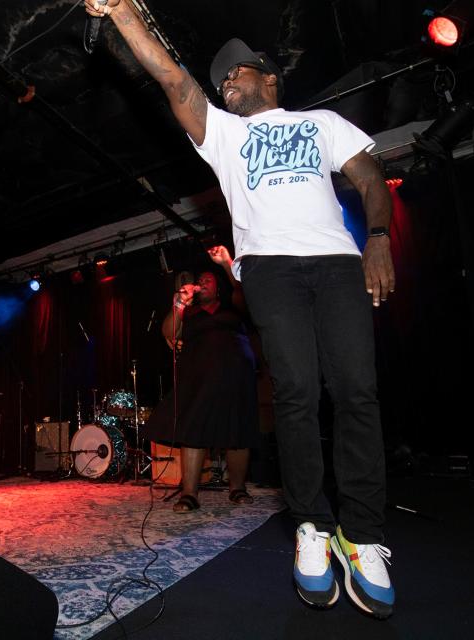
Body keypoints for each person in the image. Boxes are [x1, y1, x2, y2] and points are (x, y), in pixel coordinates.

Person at [85, 1, 396, 618]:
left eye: (237, 74)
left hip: (336, 264)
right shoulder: (225, 136)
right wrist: (122, 12)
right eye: (221, 79)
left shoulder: (324, 123)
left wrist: (379, 239)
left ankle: (362, 538)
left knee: (358, 391)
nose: (226, 83)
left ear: (270, 77)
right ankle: (312, 528)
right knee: (297, 394)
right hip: (271, 269)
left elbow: (369, 178)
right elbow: (172, 77)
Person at [144, 245, 258, 513]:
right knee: (193, 428)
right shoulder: (190, 313)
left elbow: (243, 293)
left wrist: (226, 265)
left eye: (209, 280)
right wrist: (180, 304)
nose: (202, 283)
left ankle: (237, 488)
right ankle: (190, 493)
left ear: (218, 289)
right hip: (198, 375)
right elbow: (167, 331)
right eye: (200, 281)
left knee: (237, 428)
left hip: (235, 373)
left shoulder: (233, 306)